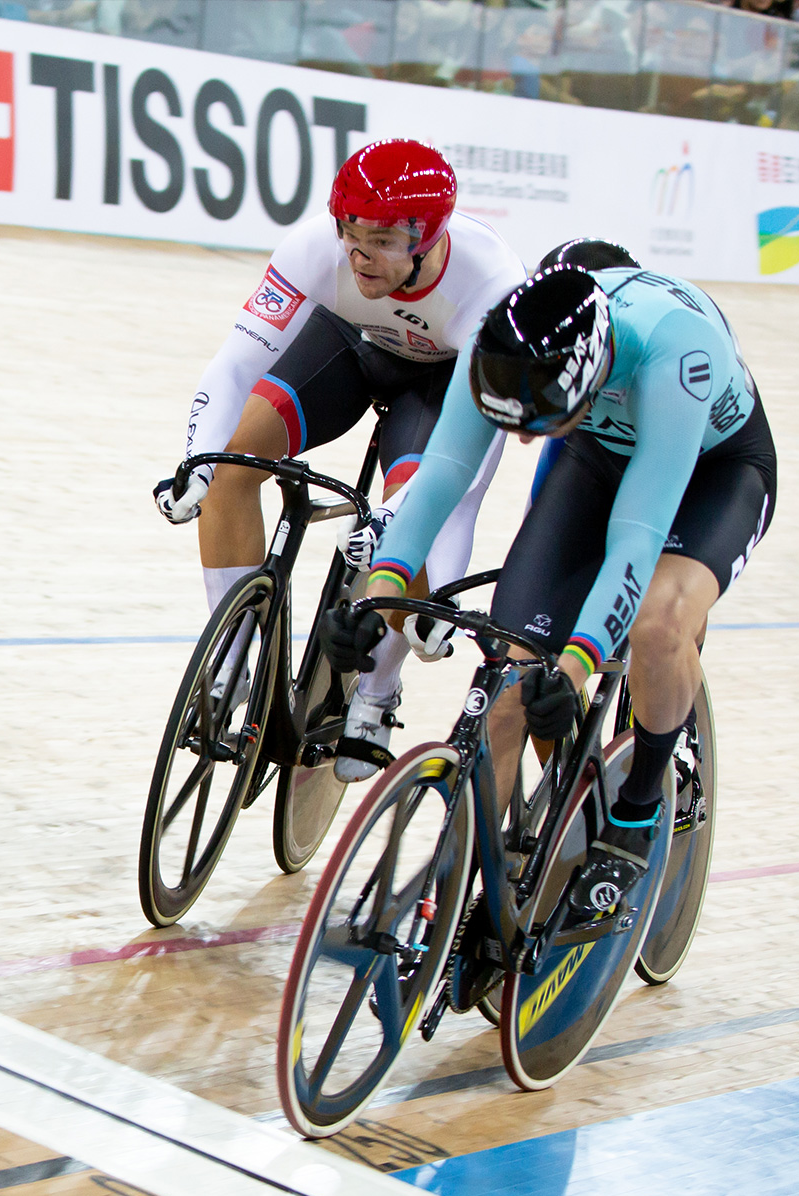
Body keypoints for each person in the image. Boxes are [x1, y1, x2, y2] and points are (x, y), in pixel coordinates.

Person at [329, 264, 774, 924]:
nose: (524, 440)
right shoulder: (500, 344)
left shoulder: (676, 353)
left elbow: (635, 541)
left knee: (658, 623)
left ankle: (636, 812)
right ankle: (450, 904)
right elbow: (440, 480)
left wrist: (575, 665)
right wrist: (380, 595)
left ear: (590, 381)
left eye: (539, 423)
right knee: (510, 671)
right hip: (595, 451)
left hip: (715, 472)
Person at [153, 139, 525, 782]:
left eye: (380, 240)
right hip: (350, 349)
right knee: (235, 461)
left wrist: (397, 526)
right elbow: (237, 364)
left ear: (429, 236)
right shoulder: (312, 250)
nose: (359, 254)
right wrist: (197, 462)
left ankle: (377, 691)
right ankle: (232, 655)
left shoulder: (492, 286)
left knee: (408, 536)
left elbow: (456, 479)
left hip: (439, 388)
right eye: (349, 231)